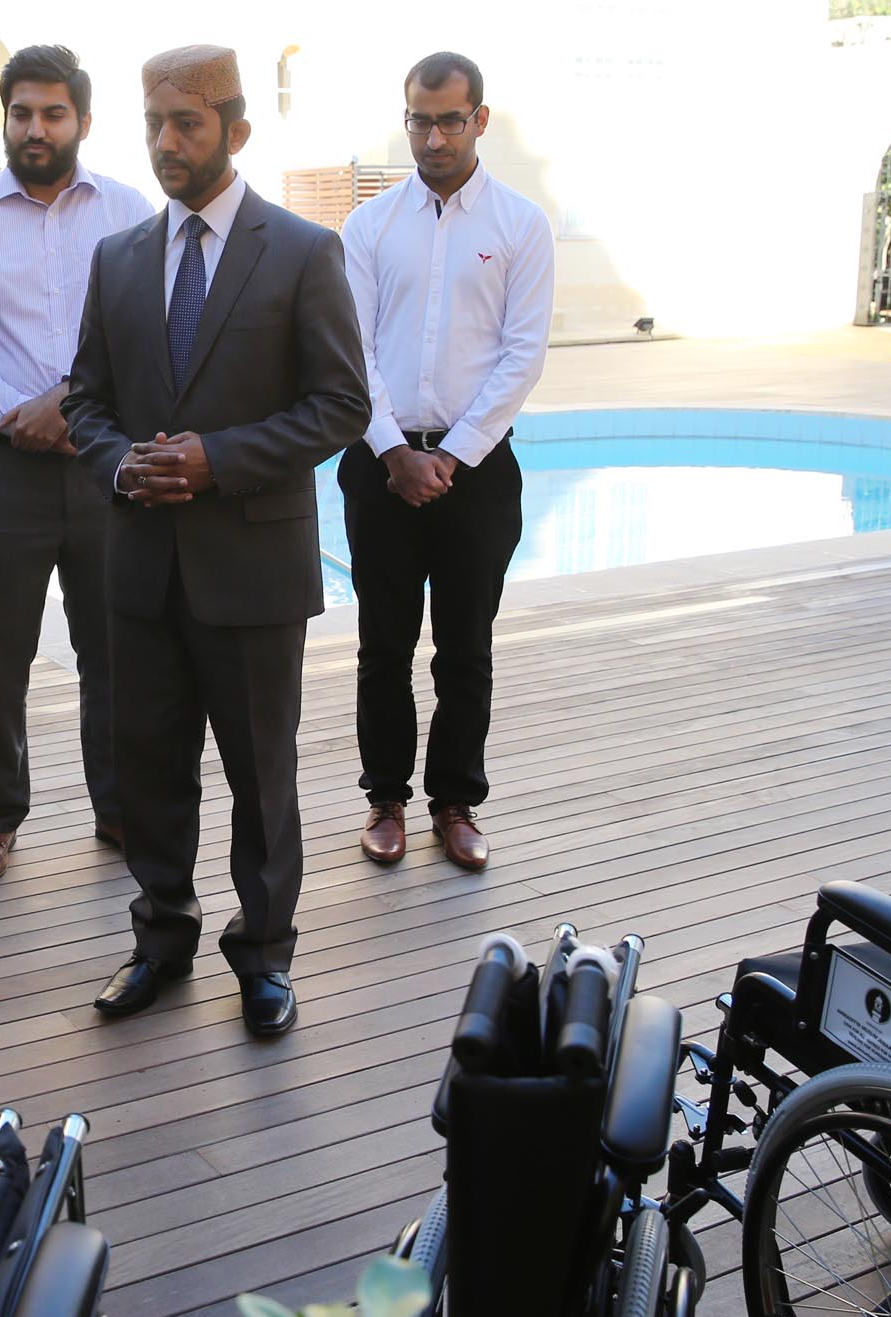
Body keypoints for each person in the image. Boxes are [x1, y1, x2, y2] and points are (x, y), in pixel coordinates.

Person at [64, 45, 369, 1036]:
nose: (166, 142)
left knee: (260, 777)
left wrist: (216, 459)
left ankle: (265, 954)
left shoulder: (303, 251)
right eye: (154, 123)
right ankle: (160, 939)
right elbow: (85, 402)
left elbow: (340, 405)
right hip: (140, 568)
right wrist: (121, 465)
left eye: (186, 124)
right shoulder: (116, 258)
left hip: (252, 569)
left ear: (235, 131)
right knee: (148, 768)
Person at [0, 44, 155, 885]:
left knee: (114, 649)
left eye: (53, 113)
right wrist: (22, 414)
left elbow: (145, 330)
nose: (35, 128)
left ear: (82, 121)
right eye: (21, 112)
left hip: (103, 465)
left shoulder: (128, 209)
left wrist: (68, 405)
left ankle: (118, 808)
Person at [340, 51, 554, 872]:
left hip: (478, 471)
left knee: (466, 650)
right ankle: (386, 799)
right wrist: (394, 450)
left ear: (479, 120)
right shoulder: (369, 227)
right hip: (382, 465)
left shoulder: (520, 225)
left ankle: (455, 803)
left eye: (449, 122)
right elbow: (351, 351)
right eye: (419, 122)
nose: (433, 138)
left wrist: (454, 455)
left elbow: (522, 355)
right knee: (382, 648)